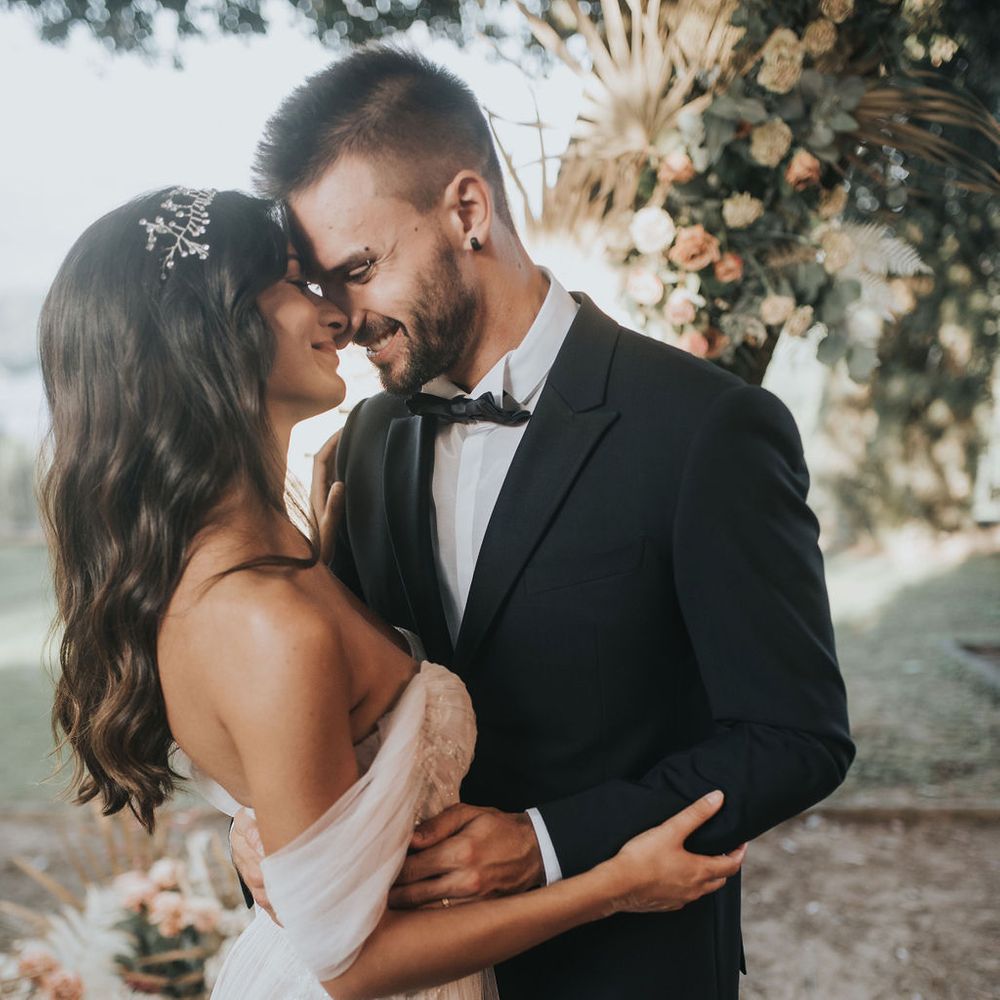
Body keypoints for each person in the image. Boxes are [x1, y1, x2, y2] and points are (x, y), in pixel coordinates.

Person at [231, 45, 856, 999]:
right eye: (325, 285)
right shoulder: (368, 439)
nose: (343, 318)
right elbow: (334, 704)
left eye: (359, 268)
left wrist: (552, 845)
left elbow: (795, 737)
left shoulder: (704, 428)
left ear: (468, 211)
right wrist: (266, 835)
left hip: (630, 967)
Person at [39, 187, 747, 1000]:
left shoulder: (291, 546)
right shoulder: (267, 617)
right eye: (294, 283)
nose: (337, 313)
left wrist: (333, 580)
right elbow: (354, 965)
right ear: (210, 332)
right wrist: (615, 885)